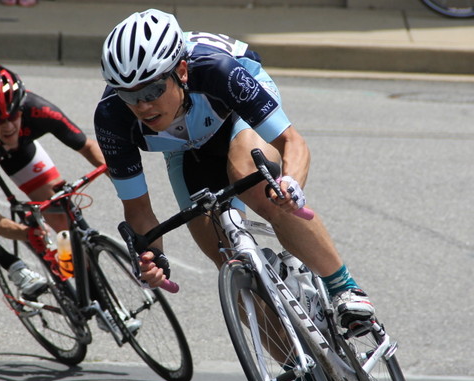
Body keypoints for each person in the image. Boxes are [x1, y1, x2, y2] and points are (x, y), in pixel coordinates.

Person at [94, 9, 375, 329]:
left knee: (252, 180)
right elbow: (139, 212)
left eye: (152, 90)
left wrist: (291, 184)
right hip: (185, 147)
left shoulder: (217, 71)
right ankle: (303, 376)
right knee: (227, 261)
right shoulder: (112, 118)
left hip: (236, 111)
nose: (142, 106)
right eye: (129, 95)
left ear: (181, 71)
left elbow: (291, 141)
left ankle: (343, 287)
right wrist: (152, 259)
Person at [0, 63, 104, 297]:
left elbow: (87, 147)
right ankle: (14, 266)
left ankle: (94, 295)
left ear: (22, 107)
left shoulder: (39, 110)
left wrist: (121, 178)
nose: (7, 126)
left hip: (19, 148)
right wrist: (26, 234)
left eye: (13, 116)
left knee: (60, 212)